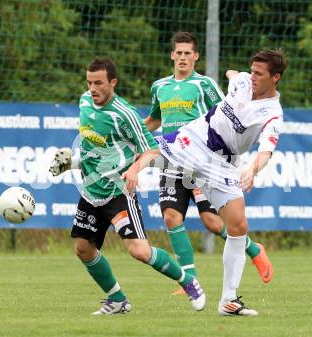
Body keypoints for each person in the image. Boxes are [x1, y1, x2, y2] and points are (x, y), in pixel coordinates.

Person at [124, 49, 287, 316]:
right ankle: (90, 163)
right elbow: (234, 75)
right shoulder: (243, 80)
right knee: (151, 153)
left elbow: (266, 150)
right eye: (252, 70)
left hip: (221, 163)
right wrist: (233, 74)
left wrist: (253, 169)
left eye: (259, 73)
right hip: (198, 137)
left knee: (238, 226)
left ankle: (228, 301)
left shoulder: (272, 114)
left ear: (276, 78)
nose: (252, 76)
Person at [49, 57, 205, 315]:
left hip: (118, 192)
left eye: (98, 83)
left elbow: (152, 149)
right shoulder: (85, 102)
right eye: (89, 82)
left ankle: (188, 280)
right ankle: (118, 300)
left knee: (140, 251)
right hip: (91, 191)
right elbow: (96, 151)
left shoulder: (125, 114)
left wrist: (134, 169)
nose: (93, 89)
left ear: (113, 82)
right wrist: (71, 162)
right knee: (83, 249)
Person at [144, 32, 273, 295]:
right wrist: (135, 133)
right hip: (172, 158)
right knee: (171, 217)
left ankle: (253, 249)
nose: (182, 57)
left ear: (196, 56)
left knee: (212, 222)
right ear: (172, 55)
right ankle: (189, 279)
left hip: (203, 161)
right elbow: (154, 120)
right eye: (178, 53)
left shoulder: (205, 85)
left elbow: (227, 113)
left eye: (187, 53)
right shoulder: (160, 87)